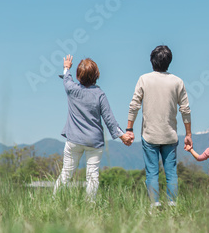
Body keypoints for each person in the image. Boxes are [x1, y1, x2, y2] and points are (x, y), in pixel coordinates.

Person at [53, 55, 134, 201]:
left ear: (78, 76)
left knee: (66, 173)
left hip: (74, 140)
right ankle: (90, 205)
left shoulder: (71, 89)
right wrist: (122, 136)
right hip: (94, 142)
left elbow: (66, 78)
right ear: (97, 76)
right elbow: (109, 119)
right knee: (92, 176)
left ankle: (55, 201)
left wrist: (66, 66)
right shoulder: (99, 95)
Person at [127, 45, 192, 207]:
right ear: (169, 62)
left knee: (152, 173)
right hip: (170, 135)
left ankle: (154, 206)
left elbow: (134, 105)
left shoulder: (144, 79)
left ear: (152, 61)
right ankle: (172, 205)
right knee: (171, 173)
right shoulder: (177, 82)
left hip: (149, 135)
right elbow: (185, 109)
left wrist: (129, 128)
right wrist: (188, 134)